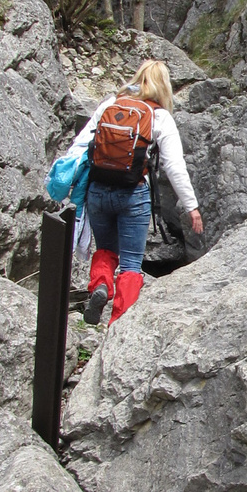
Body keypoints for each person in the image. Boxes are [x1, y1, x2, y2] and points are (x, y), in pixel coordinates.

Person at [64, 60, 203, 326]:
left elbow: (80, 144)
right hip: (133, 195)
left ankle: (101, 287)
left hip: (98, 191)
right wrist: (191, 206)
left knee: (106, 248)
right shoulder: (160, 116)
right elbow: (174, 166)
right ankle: (118, 325)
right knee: (130, 263)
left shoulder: (110, 105)